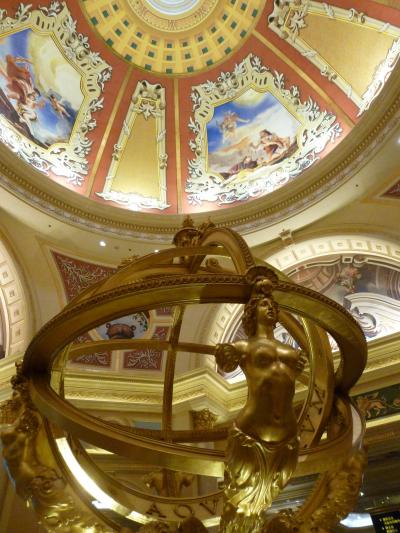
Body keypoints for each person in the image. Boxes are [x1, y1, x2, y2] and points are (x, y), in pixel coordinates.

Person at [215, 278, 307, 524]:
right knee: (240, 500)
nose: (271, 308)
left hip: (287, 435)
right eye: (264, 304)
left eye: (273, 305)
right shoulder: (243, 346)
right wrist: (224, 354)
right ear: (252, 311)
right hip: (251, 433)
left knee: (264, 501)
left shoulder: (292, 352)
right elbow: (225, 364)